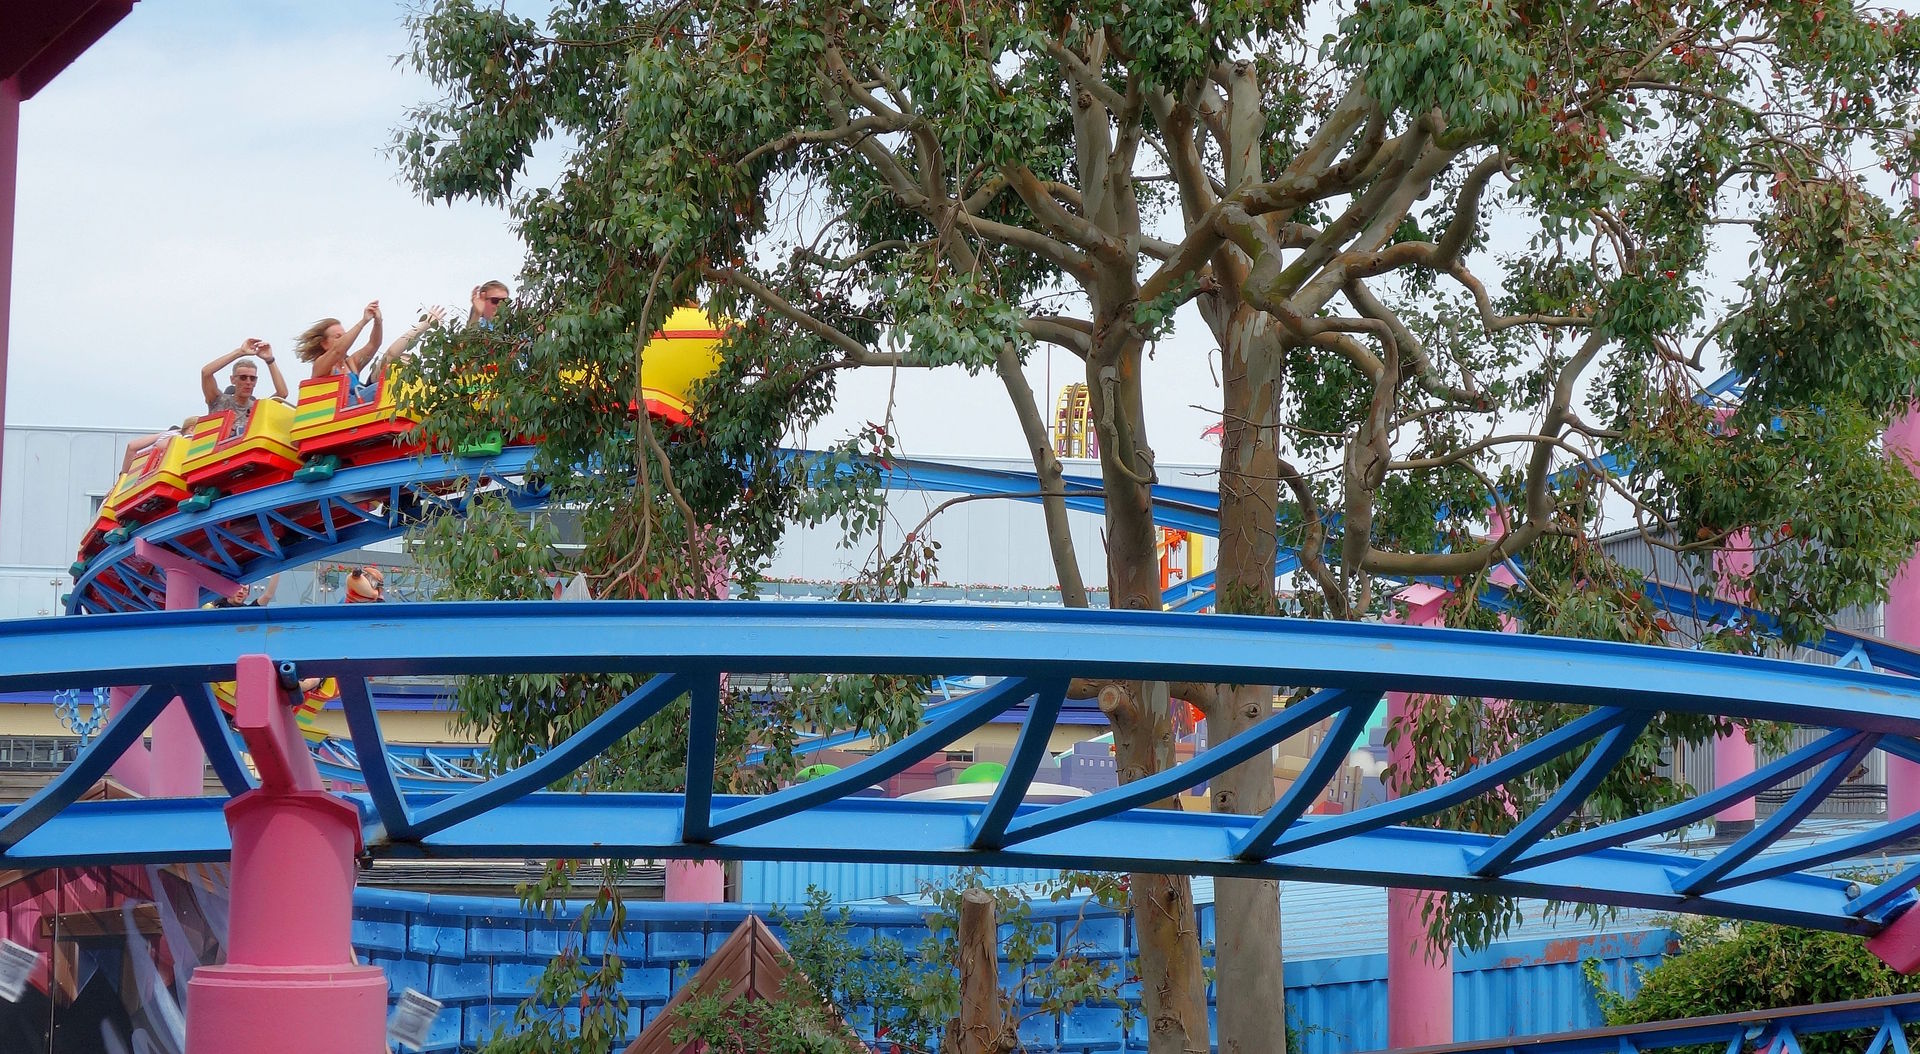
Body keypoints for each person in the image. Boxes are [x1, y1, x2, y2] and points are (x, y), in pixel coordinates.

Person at [295, 301, 384, 403]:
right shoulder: (320, 365)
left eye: (345, 336)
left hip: (358, 406)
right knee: (378, 388)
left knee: (387, 383)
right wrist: (363, 321)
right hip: (338, 409)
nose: (345, 340)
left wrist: (378, 321)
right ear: (324, 344)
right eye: (338, 337)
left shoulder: (351, 363)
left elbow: (374, 344)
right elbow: (337, 351)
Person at [200, 339, 288, 437]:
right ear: (233, 379)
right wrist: (240, 352)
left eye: (252, 378)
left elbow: (282, 394)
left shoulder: (257, 408)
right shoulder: (219, 400)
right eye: (243, 377)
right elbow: (206, 373)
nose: (248, 382)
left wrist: (270, 360)